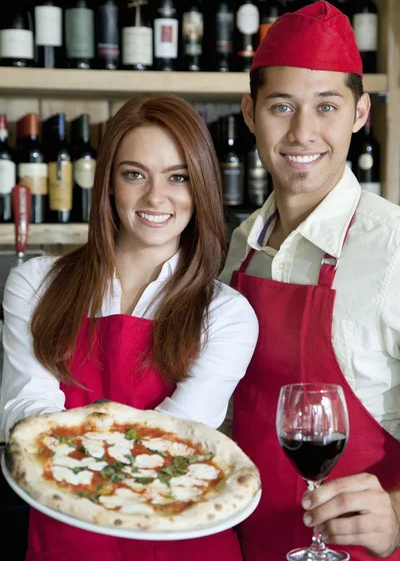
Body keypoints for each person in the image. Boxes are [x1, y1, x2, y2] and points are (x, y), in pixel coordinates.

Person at [0, 93, 259, 561]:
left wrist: (75, 436)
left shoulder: (226, 313)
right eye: (134, 174)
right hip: (66, 543)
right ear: (109, 185)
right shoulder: (34, 284)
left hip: (185, 546)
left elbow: (175, 445)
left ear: (200, 187)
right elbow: (24, 409)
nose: (156, 197)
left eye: (178, 177)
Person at [220, 1, 400, 560]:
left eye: (327, 107)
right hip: (244, 545)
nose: (303, 132)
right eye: (282, 106)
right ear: (250, 113)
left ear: (360, 113)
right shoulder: (239, 246)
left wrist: (397, 512)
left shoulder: (393, 247)